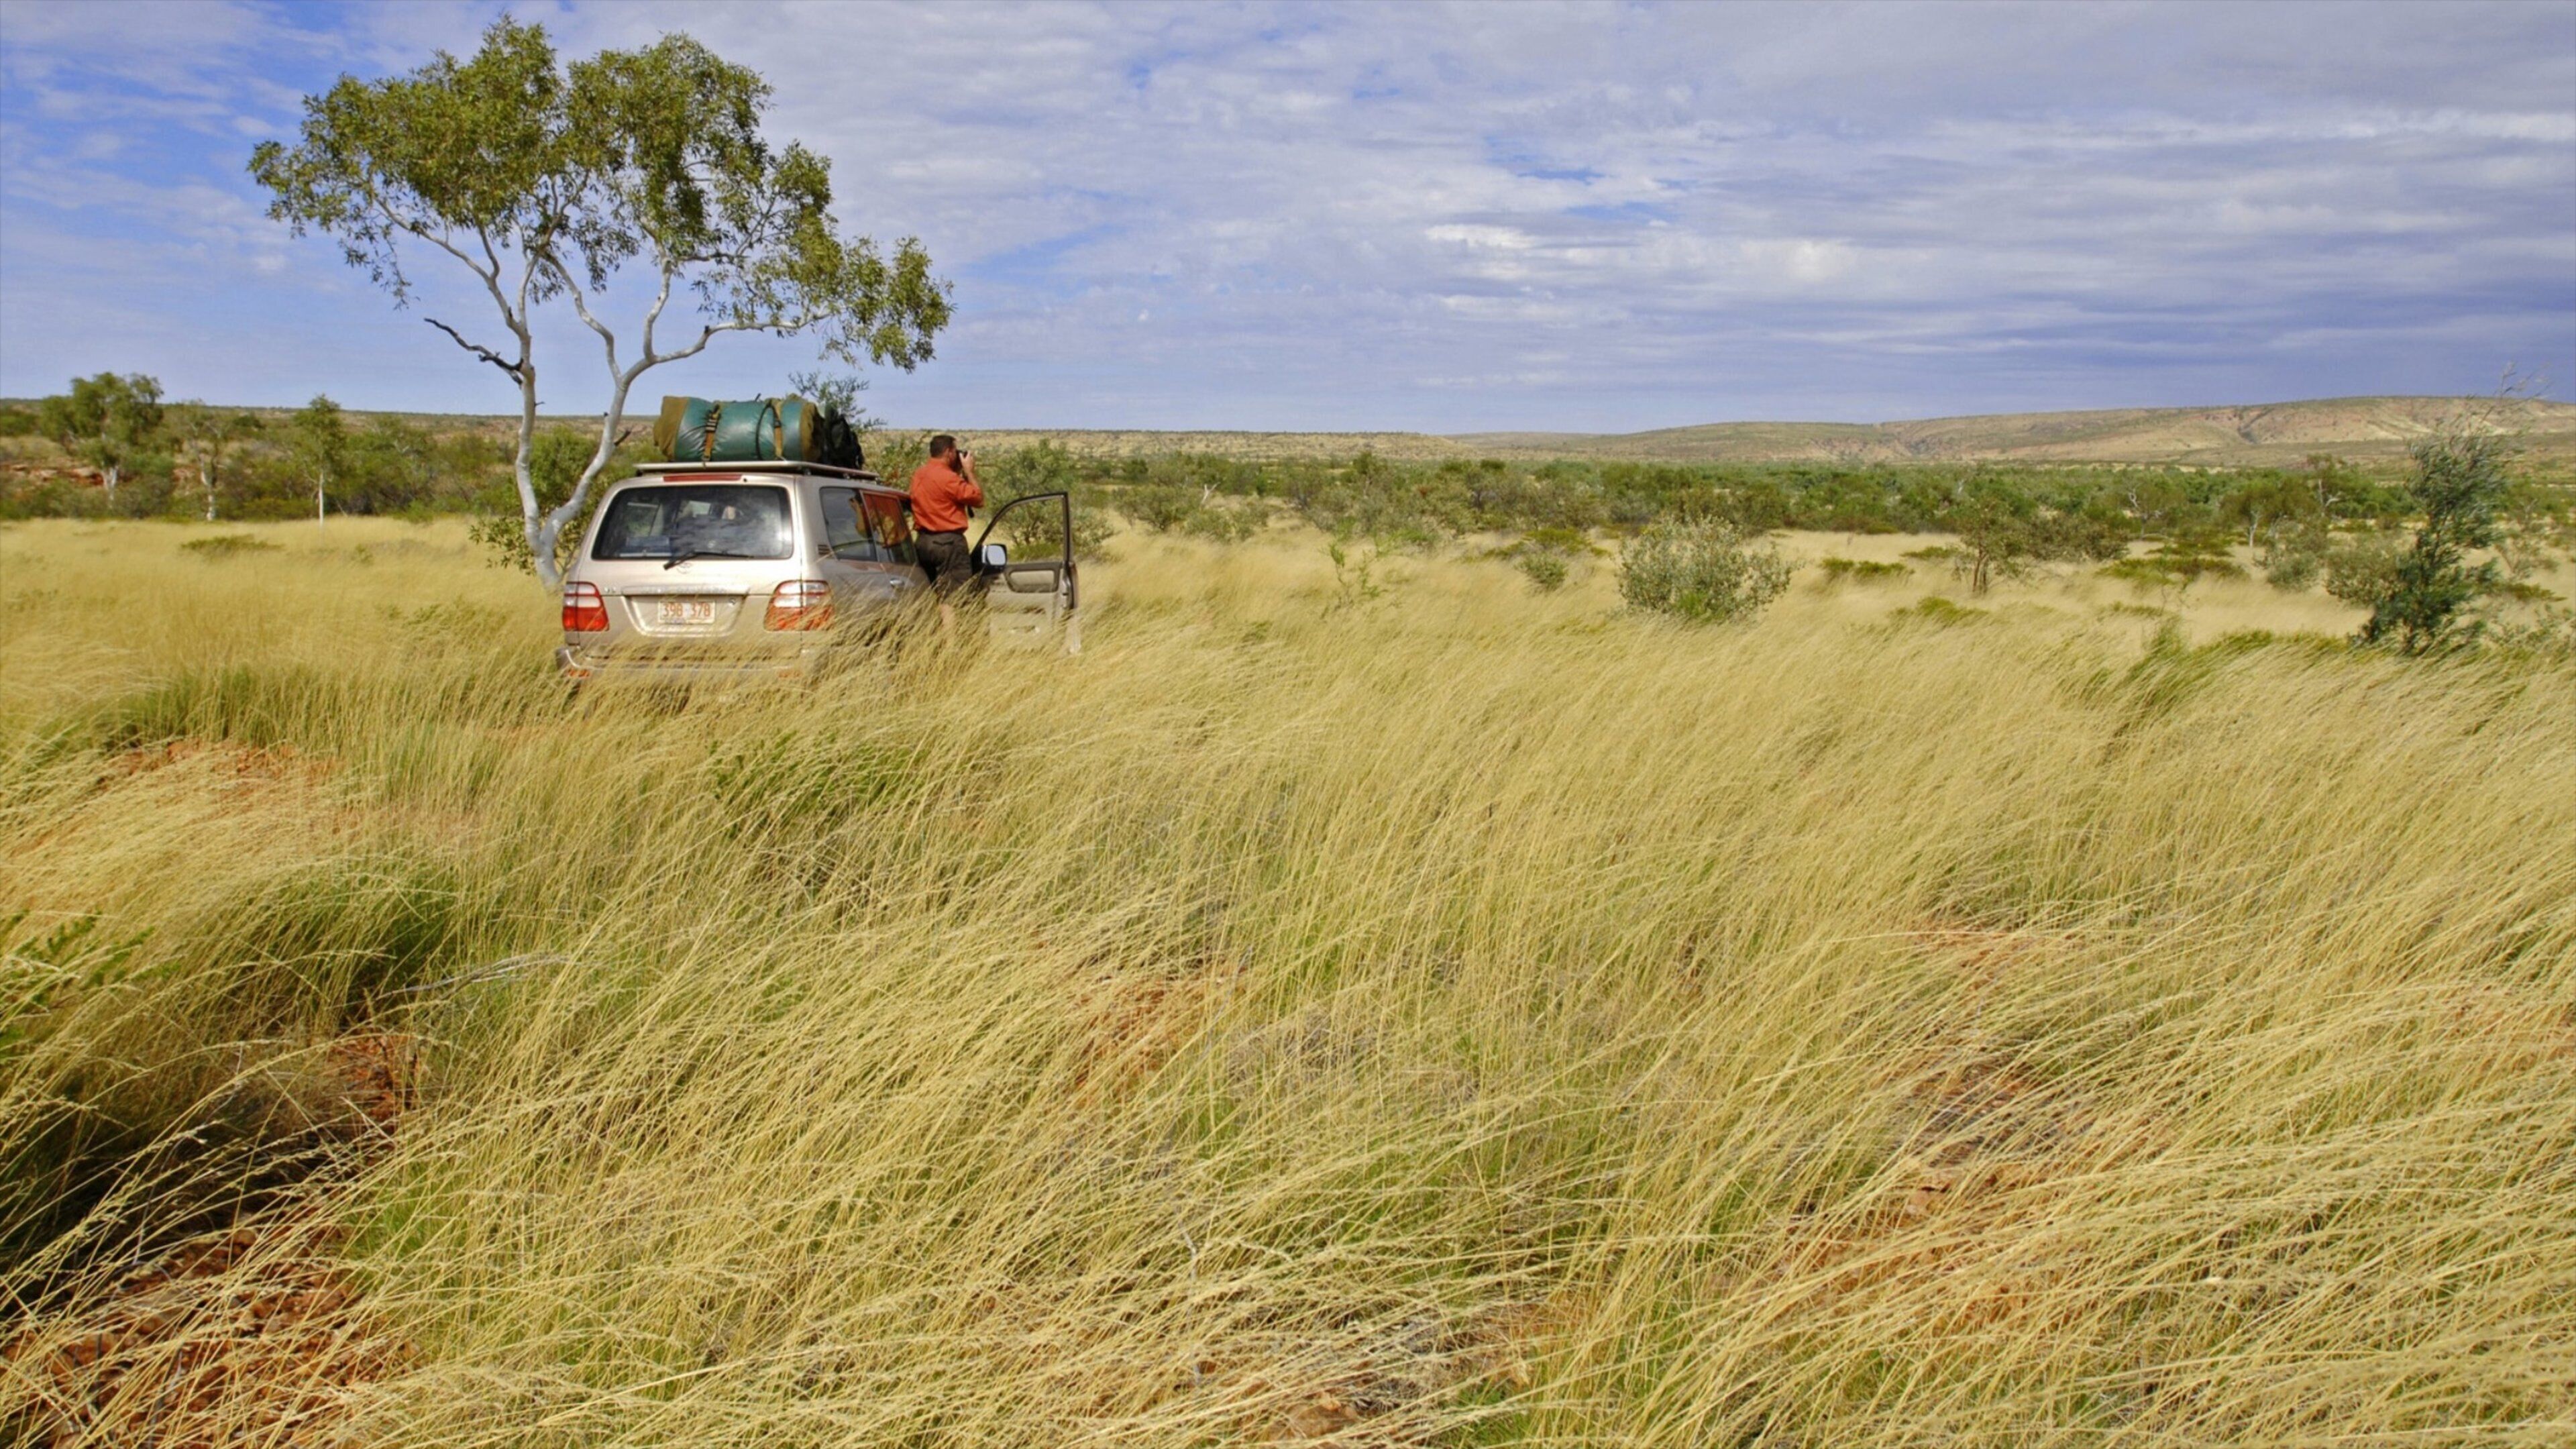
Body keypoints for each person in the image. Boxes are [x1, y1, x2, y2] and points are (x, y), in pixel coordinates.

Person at [906, 434, 984, 635]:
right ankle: (951, 648)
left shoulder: (919, 475)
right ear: (949, 452)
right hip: (948, 543)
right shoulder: (947, 477)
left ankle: (930, 639)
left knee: (931, 594)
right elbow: (977, 498)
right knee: (952, 599)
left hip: (923, 542)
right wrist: (969, 472)